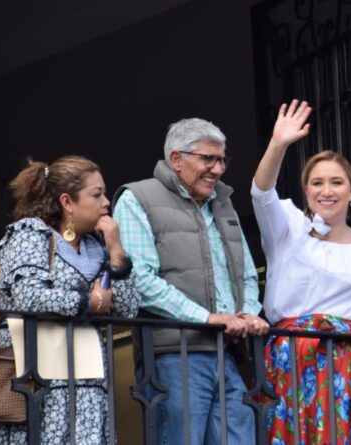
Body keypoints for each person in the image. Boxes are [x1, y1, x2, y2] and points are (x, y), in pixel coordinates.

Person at [252, 100, 351, 444]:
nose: (326, 190)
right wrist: (279, 144)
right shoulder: (288, 229)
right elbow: (260, 194)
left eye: (337, 182)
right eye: (317, 183)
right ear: (306, 191)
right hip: (296, 356)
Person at [113, 118, 268, 445]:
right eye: (207, 159)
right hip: (174, 355)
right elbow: (140, 281)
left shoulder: (222, 203)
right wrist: (208, 319)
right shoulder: (137, 198)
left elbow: (246, 274)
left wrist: (249, 314)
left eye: (222, 159)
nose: (218, 169)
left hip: (227, 353)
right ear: (176, 159)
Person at [0, 156, 139, 444]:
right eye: (96, 194)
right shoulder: (29, 236)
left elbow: (128, 308)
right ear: (67, 202)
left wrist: (117, 252)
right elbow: (28, 297)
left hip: (88, 380)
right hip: (37, 380)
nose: (106, 202)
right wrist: (88, 303)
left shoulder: (97, 246)